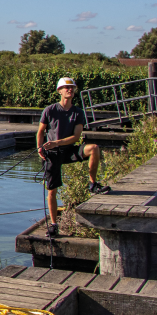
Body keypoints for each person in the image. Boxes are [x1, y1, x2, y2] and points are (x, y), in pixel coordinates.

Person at [37, 77, 110, 237]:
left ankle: (92, 184)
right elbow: (40, 131)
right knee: (51, 190)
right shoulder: (50, 110)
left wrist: (56, 143)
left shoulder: (78, 112)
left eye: (72, 88)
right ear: (60, 91)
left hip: (69, 150)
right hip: (53, 154)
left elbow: (76, 137)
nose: (70, 90)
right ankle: (54, 225)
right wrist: (39, 148)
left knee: (94, 148)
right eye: (66, 87)